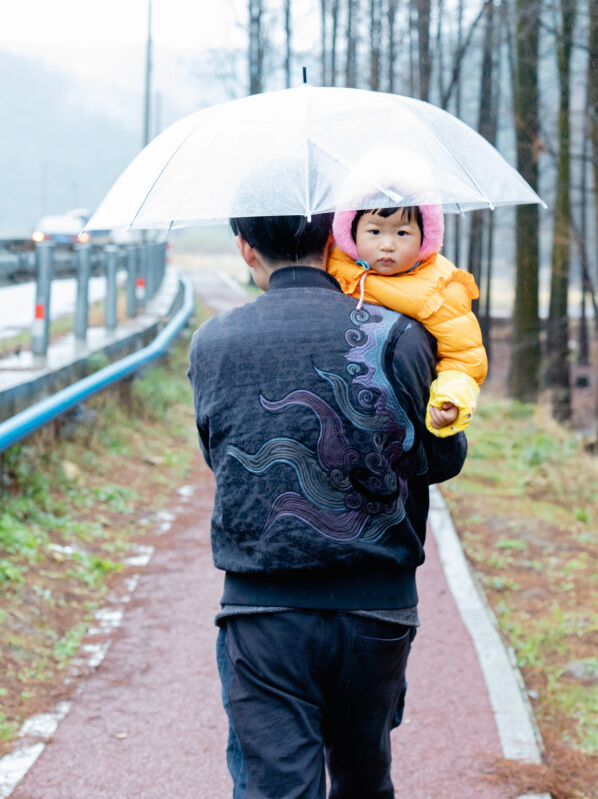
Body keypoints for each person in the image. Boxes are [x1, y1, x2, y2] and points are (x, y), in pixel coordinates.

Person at [188, 210, 467, 799]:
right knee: (364, 778)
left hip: (264, 612)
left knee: (276, 786)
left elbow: (221, 456)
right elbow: (441, 461)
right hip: (379, 608)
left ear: (245, 249)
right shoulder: (399, 332)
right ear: (335, 238)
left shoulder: (214, 341)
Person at [328, 201, 487, 438]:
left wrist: (451, 397)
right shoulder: (332, 265)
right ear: (351, 232)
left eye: (402, 233)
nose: (388, 245)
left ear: (425, 237)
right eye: (374, 232)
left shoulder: (439, 289)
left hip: (401, 417)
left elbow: (464, 356)